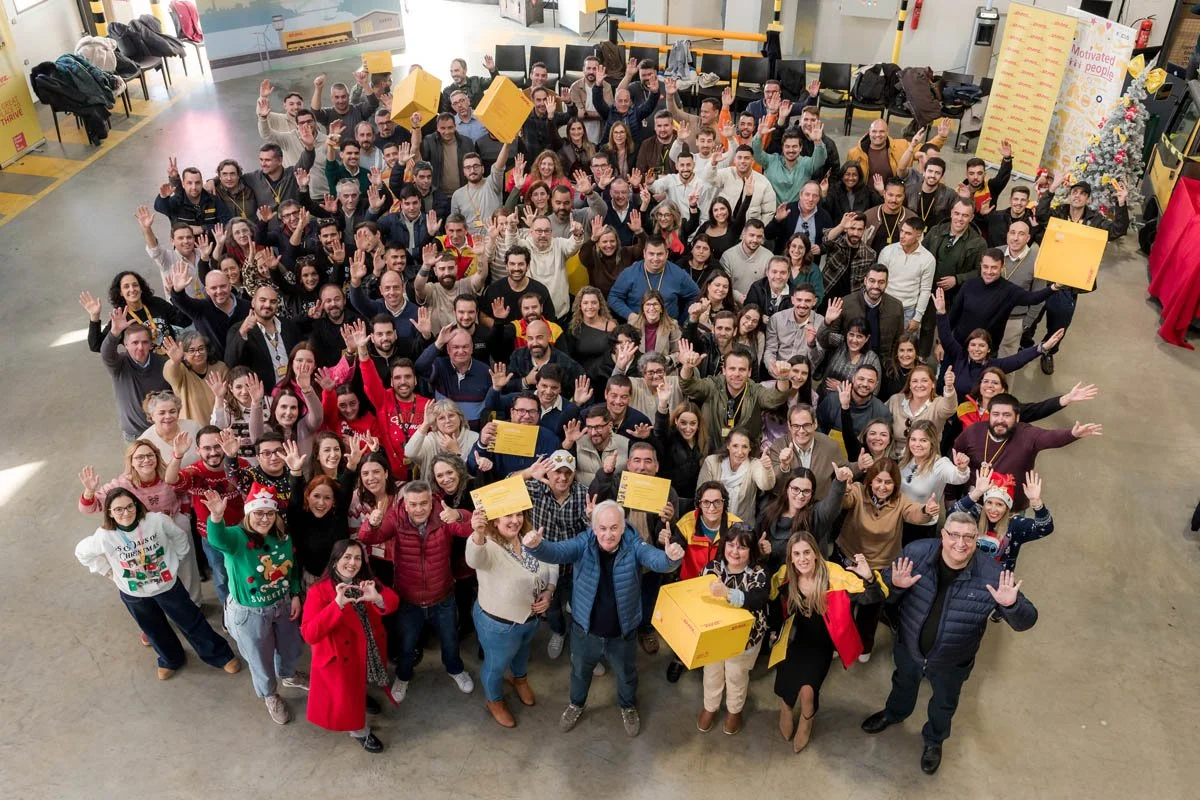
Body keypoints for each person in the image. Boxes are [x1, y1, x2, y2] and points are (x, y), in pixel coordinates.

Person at [861, 513, 1038, 774]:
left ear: (976, 540)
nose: (960, 543)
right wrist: (894, 586)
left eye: (968, 537)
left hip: (952, 662)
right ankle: (894, 713)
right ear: (942, 535)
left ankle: (934, 739)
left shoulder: (992, 574)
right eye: (954, 535)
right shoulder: (916, 554)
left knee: (944, 703)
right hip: (910, 648)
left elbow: (1027, 621)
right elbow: (884, 596)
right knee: (902, 683)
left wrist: (1010, 605)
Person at [523, 500, 685, 737]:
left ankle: (628, 706)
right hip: (584, 631)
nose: (608, 534)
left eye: (614, 528)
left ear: (622, 527)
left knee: (627, 674)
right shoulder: (584, 542)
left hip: (623, 633)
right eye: (603, 528)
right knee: (579, 672)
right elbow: (557, 552)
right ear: (594, 527)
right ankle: (576, 704)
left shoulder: (634, 543)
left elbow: (656, 560)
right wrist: (537, 546)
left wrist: (671, 557)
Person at [75, 490, 239, 681]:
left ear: (137, 505)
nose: (126, 513)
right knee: (153, 628)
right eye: (118, 509)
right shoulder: (104, 536)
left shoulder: (156, 521)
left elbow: (179, 537)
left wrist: (176, 559)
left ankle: (219, 655)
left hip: (167, 586)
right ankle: (170, 659)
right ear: (110, 512)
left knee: (191, 620)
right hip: (134, 594)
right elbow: (82, 553)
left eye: (129, 506)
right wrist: (107, 571)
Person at [357, 480, 475, 701]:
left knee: (450, 640)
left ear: (431, 502)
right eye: (414, 504)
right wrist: (371, 524)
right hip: (408, 599)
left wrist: (458, 515)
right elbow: (367, 538)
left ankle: (455, 669)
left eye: (424, 503)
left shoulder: (443, 515)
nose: (419, 509)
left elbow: (469, 528)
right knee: (407, 643)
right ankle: (403, 676)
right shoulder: (395, 517)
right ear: (406, 504)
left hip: (443, 596)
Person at [202, 485, 307, 725]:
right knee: (260, 659)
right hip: (250, 613)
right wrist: (216, 517)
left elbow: (291, 569)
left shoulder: (283, 537)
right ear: (249, 514)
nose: (264, 518)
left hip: (282, 604)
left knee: (291, 647)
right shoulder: (237, 538)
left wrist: (295, 594)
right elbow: (217, 539)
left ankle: (289, 674)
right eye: (258, 513)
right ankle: (270, 694)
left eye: (269, 513)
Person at [771, 532, 884, 752]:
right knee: (786, 681)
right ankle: (785, 707)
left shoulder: (835, 577)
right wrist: (775, 630)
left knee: (808, 690)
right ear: (791, 558)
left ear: (816, 554)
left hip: (820, 644)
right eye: (796, 554)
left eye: (806, 552)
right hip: (793, 640)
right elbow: (774, 601)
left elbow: (873, 598)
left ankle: (807, 718)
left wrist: (869, 578)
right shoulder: (785, 576)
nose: (802, 558)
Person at [300, 539, 398, 753]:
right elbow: (309, 633)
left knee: (359, 684)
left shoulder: (366, 581)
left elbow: (393, 600)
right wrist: (336, 606)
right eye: (347, 557)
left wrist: (379, 598)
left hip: (365, 650)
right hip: (340, 658)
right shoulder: (319, 591)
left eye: (357, 558)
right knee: (348, 698)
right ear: (335, 561)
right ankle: (359, 731)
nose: (352, 563)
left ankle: (362, 695)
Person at [835, 458, 938, 660]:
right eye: (878, 481)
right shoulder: (857, 490)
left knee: (871, 609)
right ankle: (838, 642)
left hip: (880, 565)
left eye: (888, 482)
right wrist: (842, 488)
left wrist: (926, 511)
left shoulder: (900, 501)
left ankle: (864, 646)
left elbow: (915, 513)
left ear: (895, 484)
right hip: (848, 557)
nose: (882, 487)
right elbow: (844, 501)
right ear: (870, 481)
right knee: (843, 605)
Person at [466, 508, 558, 728]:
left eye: (519, 515)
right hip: (499, 625)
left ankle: (520, 679)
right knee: (496, 665)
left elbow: (551, 562)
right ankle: (494, 700)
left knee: (523, 653)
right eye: (508, 515)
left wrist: (549, 592)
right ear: (495, 521)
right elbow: (473, 559)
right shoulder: (487, 544)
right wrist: (477, 534)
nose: (515, 520)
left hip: (530, 618)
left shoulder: (530, 537)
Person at [953, 392, 1101, 510]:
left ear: (1017, 418)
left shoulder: (1027, 433)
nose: (1000, 420)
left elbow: (1048, 437)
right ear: (989, 415)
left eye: (1007, 415)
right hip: (976, 503)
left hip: (1011, 509)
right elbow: (956, 456)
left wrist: (1072, 434)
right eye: (996, 414)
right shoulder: (974, 431)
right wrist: (950, 496)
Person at [696, 525, 770, 736]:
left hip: (745, 639)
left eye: (742, 547)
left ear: (752, 551)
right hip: (714, 636)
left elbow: (758, 599)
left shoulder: (759, 573)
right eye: (731, 545)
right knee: (711, 673)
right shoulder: (712, 567)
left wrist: (727, 592)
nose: (735, 552)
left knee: (736, 675)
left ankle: (734, 710)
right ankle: (710, 706)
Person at [678, 340, 789, 446]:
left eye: (742, 369)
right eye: (732, 369)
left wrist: (783, 378)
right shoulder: (713, 385)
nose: (736, 374)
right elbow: (689, 386)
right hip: (712, 453)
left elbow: (775, 398)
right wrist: (687, 367)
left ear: (749, 372)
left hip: (745, 454)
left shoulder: (755, 390)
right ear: (724, 370)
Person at [948, 248, 1059, 350]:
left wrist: (1054, 287)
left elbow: (1032, 298)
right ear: (981, 265)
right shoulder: (969, 285)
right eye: (985, 267)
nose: (989, 272)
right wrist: (942, 343)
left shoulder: (1009, 291)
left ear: (1002, 267)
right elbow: (953, 315)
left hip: (986, 351)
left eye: (994, 267)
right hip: (958, 345)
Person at [950, 466, 1053, 574]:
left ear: (1007, 507)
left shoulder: (1015, 524)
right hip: (965, 574)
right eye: (989, 503)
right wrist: (976, 492)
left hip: (997, 582)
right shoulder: (975, 514)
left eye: (999, 504)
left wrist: (1036, 502)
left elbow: (1045, 528)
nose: (993, 510)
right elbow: (952, 516)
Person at [757, 464, 852, 571]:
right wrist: (762, 551)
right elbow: (757, 550)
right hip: (774, 576)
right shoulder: (769, 511)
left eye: (806, 491)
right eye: (796, 489)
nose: (801, 495)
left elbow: (830, 508)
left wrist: (839, 482)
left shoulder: (815, 514)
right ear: (787, 489)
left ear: (812, 494)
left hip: (806, 576)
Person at [897, 420, 971, 545]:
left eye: (923, 440)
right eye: (913, 439)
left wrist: (962, 468)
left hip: (921, 526)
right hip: (898, 520)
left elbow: (958, 477)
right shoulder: (905, 457)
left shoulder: (940, 464)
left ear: (932, 442)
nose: (917, 444)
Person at [607, 237, 700, 325]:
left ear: (666, 254)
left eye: (659, 254)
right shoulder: (629, 273)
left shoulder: (678, 274)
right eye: (651, 254)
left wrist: (682, 321)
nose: (655, 259)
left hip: (668, 330)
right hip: (637, 328)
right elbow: (613, 297)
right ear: (644, 253)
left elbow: (696, 295)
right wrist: (630, 315)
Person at [767, 403, 847, 501]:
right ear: (789, 426)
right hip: (787, 506)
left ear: (815, 424)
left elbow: (846, 468)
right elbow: (773, 483)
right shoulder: (778, 446)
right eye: (796, 426)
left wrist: (860, 465)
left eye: (806, 425)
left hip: (819, 505)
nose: (801, 431)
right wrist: (783, 466)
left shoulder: (830, 445)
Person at [823, 267, 905, 361]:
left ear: (886, 284)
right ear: (865, 281)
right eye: (872, 281)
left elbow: (899, 341)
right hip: (848, 361)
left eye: (881, 282)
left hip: (883, 363)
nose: (876, 286)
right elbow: (829, 339)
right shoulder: (845, 303)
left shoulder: (896, 307)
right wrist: (827, 322)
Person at [697, 428, 775, 523]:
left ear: (750, 448)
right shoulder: (712, 462)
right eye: (735, 446)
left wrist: (767, 468)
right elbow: (700, 495)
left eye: (745, 447)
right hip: (713, 524)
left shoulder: (754, 464)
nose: (740, 452)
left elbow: (766, 485)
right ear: (728, 445)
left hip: (742, 528)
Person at [885, 364, 957, 458]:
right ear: (910, 385)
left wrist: (949, 387)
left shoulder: (938, 403)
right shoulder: (895, 400)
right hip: (896, 460)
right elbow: (878, 417)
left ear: (933, 384)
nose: (919, 385)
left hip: (927, 462)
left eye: (924, 381)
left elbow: (949, 408)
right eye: (915, 381)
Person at [877, 218, 936, 331]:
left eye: (908, 233)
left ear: (918, 235)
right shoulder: (887, 251)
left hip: (909, 310)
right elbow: (878, 280)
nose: (902, 236)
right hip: (885, 306)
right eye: (902, 231)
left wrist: (917, 318)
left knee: (905, 346)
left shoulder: (928, 259)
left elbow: (925, 290)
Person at [820, 211, 877, 305]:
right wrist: (841, 226)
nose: (855, 233)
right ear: (846, 229)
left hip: (851, 302)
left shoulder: (870, 254)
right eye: (852, 228)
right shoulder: (836, 241)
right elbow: (826, 239)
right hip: (826, 297)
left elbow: (866, 284)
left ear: (864, 230)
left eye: (859, 229)